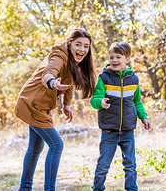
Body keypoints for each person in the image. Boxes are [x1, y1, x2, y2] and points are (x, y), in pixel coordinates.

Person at [14, 28, 96, 191]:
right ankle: (48, 189)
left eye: (86, 46)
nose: (82, 49)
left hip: (41, 105)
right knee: (56, 145)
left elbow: (70, 82)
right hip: (32, 103)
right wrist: (53, 83)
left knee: (36, 147)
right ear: (69, 44)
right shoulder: (59, 55)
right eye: (78, 44)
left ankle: (24, 188)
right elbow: (48, 73)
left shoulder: (74, 61)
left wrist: (66, 104)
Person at [90, 41, 151, 191]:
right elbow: (94, 100)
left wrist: (144, 117)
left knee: (130, 165)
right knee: (103, 164)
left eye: (118, 57)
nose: (114, 60)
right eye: (111, 57)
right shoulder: (104, 78)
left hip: (128, 131)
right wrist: (101, 102)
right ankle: (97, 188)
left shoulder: (134, 80)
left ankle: (131, 189)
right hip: (109, 131)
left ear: (127, 59)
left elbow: (137, 102)